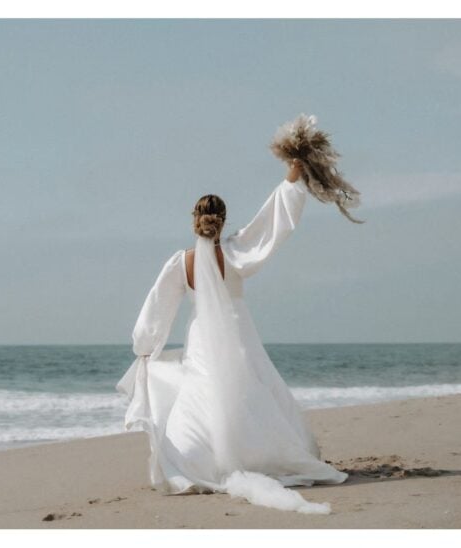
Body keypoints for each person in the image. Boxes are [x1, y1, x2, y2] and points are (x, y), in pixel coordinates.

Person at [116, 159, 349, 514]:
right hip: (239, 332)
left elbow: (158, 307)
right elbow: (270, 225)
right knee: (250, 388)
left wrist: (145, 347)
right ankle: (260, 452)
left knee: (202, 390)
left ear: (194, 219)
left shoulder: (182, 263)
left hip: (203, 338)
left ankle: (201, 457)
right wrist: (291, 179)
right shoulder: (237, 251)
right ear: (223, 221)